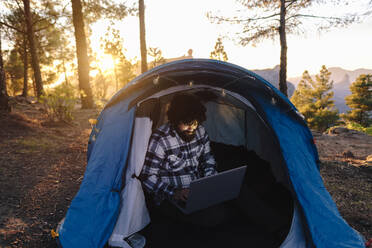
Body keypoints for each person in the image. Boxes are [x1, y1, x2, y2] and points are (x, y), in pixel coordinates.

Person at [140, 93, 227, 227]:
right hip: (171, 198)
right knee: (212, 218)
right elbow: (146, 177)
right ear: (175, 119)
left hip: (199, 191)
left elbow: (208, 158)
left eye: (195, 123)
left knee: (237, 195)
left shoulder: (200, 131)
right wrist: (175, 193)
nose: (192, 128)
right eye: (186, 123)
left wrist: (210, 181)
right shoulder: (160, 139)